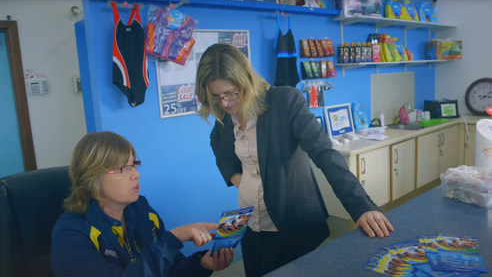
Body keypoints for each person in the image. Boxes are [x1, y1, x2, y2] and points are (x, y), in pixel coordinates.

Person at [195, 43, 394, 277]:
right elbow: (218, 146)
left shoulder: (284, 101)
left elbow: (325, 154)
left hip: (291, 223)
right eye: (216, 97)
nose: (225, 103)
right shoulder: (225, 118)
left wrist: (361, 206)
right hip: (249, 223)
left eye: (231, 93)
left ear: (246, 81)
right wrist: (239, 179)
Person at [51, 131, 234, 276]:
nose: (136, 175)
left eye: (134, 165)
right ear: (93, 177)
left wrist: (202, 263)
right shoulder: (71, 232)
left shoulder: (142, 210)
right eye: (124, 169)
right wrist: (173, 239)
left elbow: (169, 269)